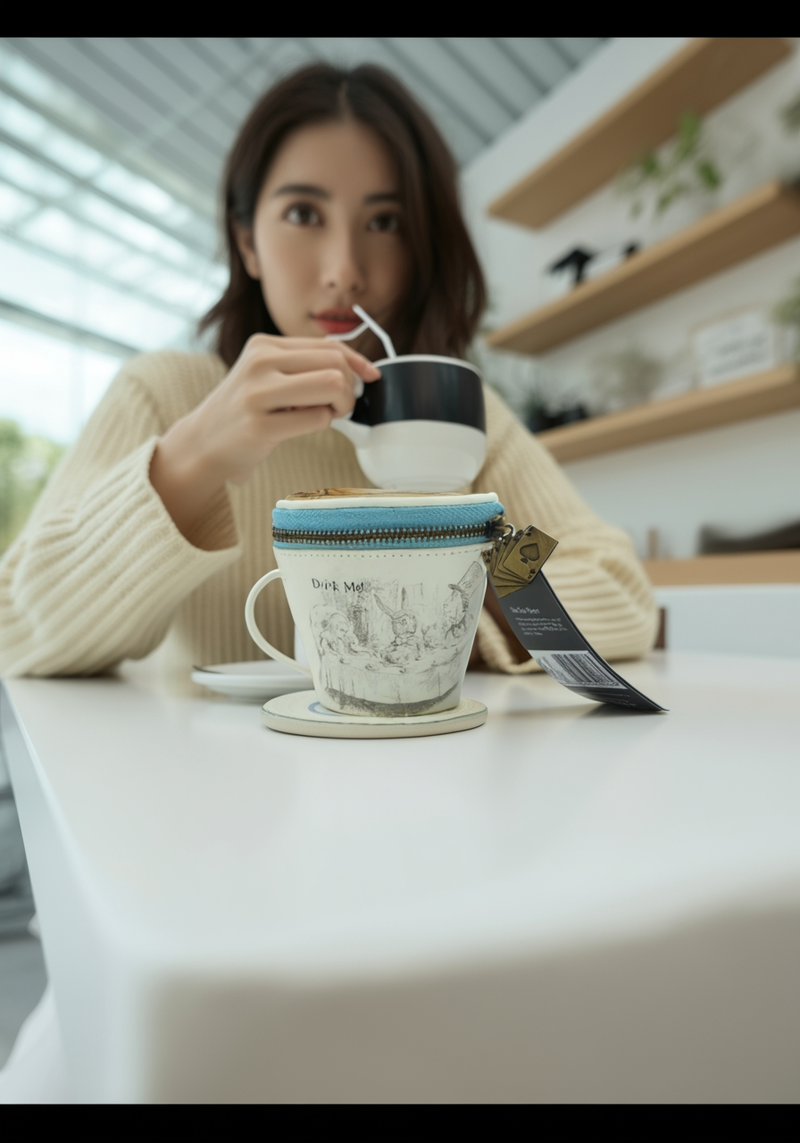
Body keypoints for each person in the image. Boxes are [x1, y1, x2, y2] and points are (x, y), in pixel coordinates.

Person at [0, 62, 657, 682]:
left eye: (385, 221)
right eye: (303, 214)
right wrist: (192, 458)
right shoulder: (164, 393)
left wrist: (458, 571)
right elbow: (14, 629)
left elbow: (619, 589)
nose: (344, 268)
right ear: (247, 241)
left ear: (422, 245)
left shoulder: (457, 416)